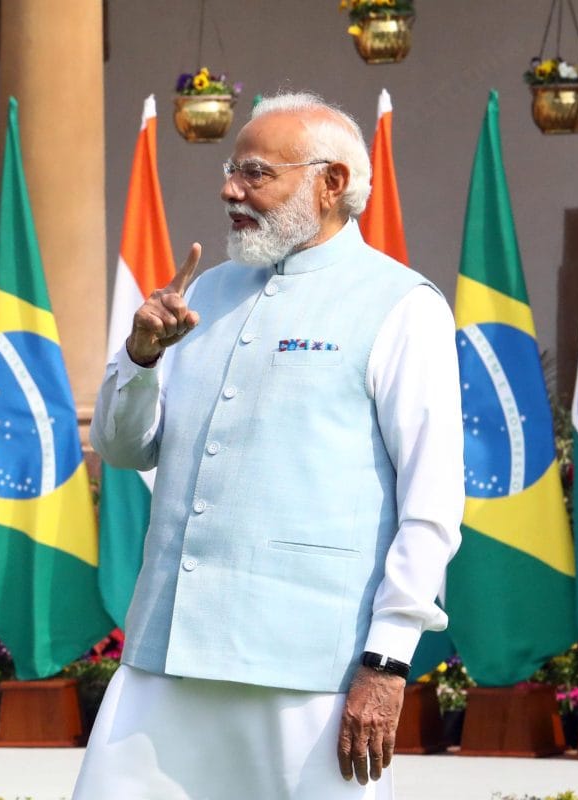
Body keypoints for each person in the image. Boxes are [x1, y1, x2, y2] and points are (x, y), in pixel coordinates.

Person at [74, 92, 464, 799]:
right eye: (231, 170)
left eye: (255, 173)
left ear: (331, 183)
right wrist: (138, 359)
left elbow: (431, 502)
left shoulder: (403, 304)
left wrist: (387, 661)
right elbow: (126, 452)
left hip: (315, 672)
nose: (230, 189)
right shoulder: (206, 293)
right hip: (166, 662)